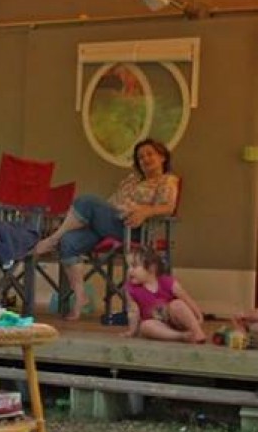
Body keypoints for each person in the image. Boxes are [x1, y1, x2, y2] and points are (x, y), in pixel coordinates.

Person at [33, 138, 180, 320]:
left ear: (162, 157)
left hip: (134, 229)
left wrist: (145, 212)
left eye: (150, 154)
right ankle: (80, 297)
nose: (145, 159)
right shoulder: (132, 180)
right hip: (111, 222)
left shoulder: (167, 180)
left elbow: (168, 207)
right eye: (141, 157)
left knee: (86, 200)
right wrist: (94, 217)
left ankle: (52, 239)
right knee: (68, 241)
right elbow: (112, 203)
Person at [121, 247, 206, 343]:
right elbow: (133, 312)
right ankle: (181, 336)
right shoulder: (131, 289)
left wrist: (198, 314)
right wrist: (132, 331)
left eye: (134, 266)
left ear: (151, 268)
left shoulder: (167, 282)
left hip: (175, 320)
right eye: (128, 267)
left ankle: (198, 332)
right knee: (145, 326)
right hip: (158, 325)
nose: (129, 270)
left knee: (178, 304)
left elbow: (185, 297)